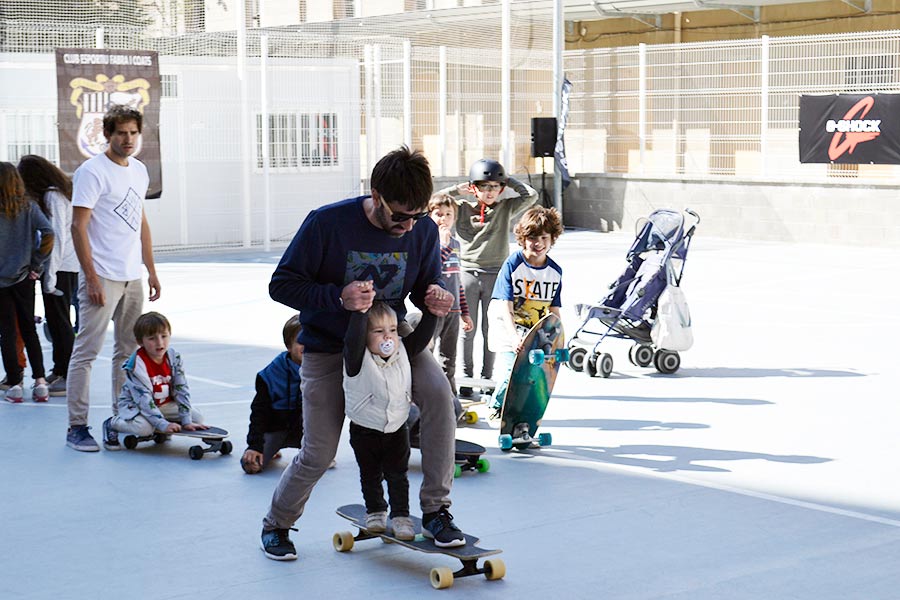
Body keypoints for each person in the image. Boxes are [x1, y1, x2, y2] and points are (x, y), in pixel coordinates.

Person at [260, 146, 465, 562]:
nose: (408, 226)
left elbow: (425, 283)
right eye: (399, 216)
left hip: (391, 338)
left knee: (440, 395)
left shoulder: (422, 229)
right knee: (318, 451)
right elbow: (281, 285)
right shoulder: (327, 224)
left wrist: (435, 296)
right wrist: (338, 297)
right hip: (329, 345)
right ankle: (276, 524)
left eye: (417, 216)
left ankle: (436, 510)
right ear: (375, 195)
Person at [66, 104, 161, 452]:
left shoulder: (139, 170)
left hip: (131, 275)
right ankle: (77, 426)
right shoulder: (92, 172)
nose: (128, 139)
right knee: (86, 352)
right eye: (121, 132)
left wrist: (150, 269)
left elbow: (141, 222)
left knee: (129, 352)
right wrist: (90, 277)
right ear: (107, 134)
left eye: (133, 133)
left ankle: (121, 419)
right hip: (102, 275)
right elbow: (78, 226)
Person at [435, 159, 537, 398]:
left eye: (494, 186)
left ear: (500, 189)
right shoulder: (460, 207)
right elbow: (434, 202)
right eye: (483, 186)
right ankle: (467, 377)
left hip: (496, 274)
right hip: (467, 273)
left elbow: (530, 195)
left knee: (491, 329)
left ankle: (487, 378)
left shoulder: (505, 208)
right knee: (466, 329)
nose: (489, 192)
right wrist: (456, 189)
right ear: (473, 188)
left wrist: (507, 180)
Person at [343, 301, 438, 542]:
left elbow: (423, 335)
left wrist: (432, 312)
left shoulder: (404, 351)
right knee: (370, 474)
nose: (388, 337)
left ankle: (401, 516)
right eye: (378, 331)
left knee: (398, 474)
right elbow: (353, 337)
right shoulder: (356, 357)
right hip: (365, 428)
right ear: (365, 336)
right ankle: (375, 511)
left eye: (393, 330)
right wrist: (360, 313)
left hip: (397, 427)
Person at [486, 206, 564, 416]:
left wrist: (560, 338)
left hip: (533, 328)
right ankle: (496, 405)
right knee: (509, 371)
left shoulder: (554, 271)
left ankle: (518, 410)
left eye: (543, 237)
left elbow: (554, 308)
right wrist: (513, 336)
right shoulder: (513, 264)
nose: (538, 243)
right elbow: (505, 303)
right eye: (531, 237)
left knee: (532, 375)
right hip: (506, 322)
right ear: (523, 238)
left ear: (552, 238)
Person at [18, 155, 78, 397]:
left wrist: (50, 276)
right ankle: (60, 368)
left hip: (61, 266)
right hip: (61, 265)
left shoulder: (53, 196)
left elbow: (57, 238)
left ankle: (68, 374)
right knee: (56, 319)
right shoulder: (58, 193)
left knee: (60, 320)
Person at [101, 312, 206, 450]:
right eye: (152, 338)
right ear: (140, 342)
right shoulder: (135, 366)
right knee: (144, 429)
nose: (160, 342)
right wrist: (163, 424)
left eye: (164, 336)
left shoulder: (174, 358)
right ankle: (113, 423)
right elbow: (144, 400)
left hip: (164, 405)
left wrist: (186, 421)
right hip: (137, 407)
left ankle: (161, 424)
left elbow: (182, 388)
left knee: (196, 418)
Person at [0, 162, 54, 403]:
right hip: (24, 277)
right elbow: (49, 233)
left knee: (7, 332)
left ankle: (15, 383)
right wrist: (37, 264)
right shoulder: (29, 207)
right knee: (29, 329)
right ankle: (40, 381)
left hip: (1, 281)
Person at [241, 315, 305, 474]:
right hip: (277, 427)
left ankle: (318, 453)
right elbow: (259, 412)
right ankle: (271, 447)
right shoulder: (269, 375)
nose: (307, 345)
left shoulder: (322, 372)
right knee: (251, 466)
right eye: (300, 340)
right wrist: (254, 446)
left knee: (320, 463)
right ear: (288, 346)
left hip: (307, 431)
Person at [427, 193, 474, 395]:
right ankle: (425, 394)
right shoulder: (429, 244)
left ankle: (449, 398)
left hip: (454, 311)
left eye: (448, 214)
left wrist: (464, 311)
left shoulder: (456, 244)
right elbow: (432, 269)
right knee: (427, 354)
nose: (444, 218)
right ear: (429, 216)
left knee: (449, 358)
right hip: (434, 308)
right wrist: (444, 245)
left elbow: (457, 281)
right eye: (438, 214)